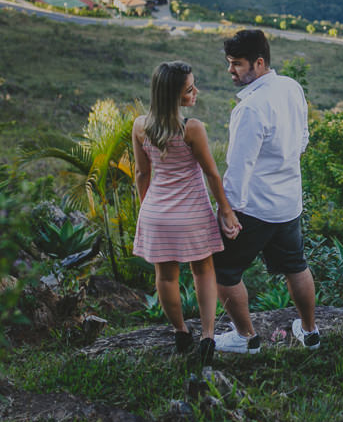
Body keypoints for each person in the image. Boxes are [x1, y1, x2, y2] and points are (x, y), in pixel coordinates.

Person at [213, 29, 321, 354]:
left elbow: (239, 167)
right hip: (288, 202)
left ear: (258, 63)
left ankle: (246, 339)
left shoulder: (250, 108)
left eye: (237, 64)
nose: (230, 70)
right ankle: (310, 332)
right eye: (230, 63)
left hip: (254, 207)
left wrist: (228, 212)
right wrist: (283, 165)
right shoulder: (291, 86)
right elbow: (303, 138)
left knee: (224, 271)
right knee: (296, 266)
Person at [132, 61, 241, 368]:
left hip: (156, 213)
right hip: (192, 213)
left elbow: (142, 173)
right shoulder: (191, 128)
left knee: (166, 276)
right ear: (173, 95)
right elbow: (212, 174)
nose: (196, 92)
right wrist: (226, 210)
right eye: (190, 89)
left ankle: (180, 332)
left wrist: (146, 209)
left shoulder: (140, 126)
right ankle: (207, 336)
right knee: (203, 271)